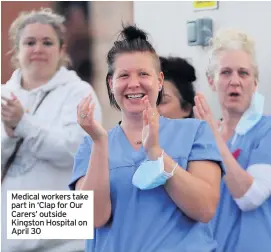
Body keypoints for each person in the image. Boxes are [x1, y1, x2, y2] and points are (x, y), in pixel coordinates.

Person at [69, 25, 224, 252]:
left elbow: (205, 208)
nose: (134, 83)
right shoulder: (91, 144)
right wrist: (100, 143)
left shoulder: (195, 132)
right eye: (124, 75)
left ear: (159, 81)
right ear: (111, 83)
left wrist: (156, 154)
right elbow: (94, 218)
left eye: (143, 74)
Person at [1, 8, 101, 252]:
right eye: (30, 42)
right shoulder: (3, 95)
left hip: (64, 238)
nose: (38, 49)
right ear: (16, 49)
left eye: (47, 42)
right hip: (8, 239)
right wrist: (9, 136)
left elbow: (78, 151)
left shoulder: (79, 92)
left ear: (62, 49)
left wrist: (23, 124)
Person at [193, 29, 271, 252]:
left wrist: (213, 137)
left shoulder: (266, 130)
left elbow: (250, 197)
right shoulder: (201, 136)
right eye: (225, 72)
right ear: (211, 81)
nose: (235, 81)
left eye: (244, 73)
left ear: (255, 84)